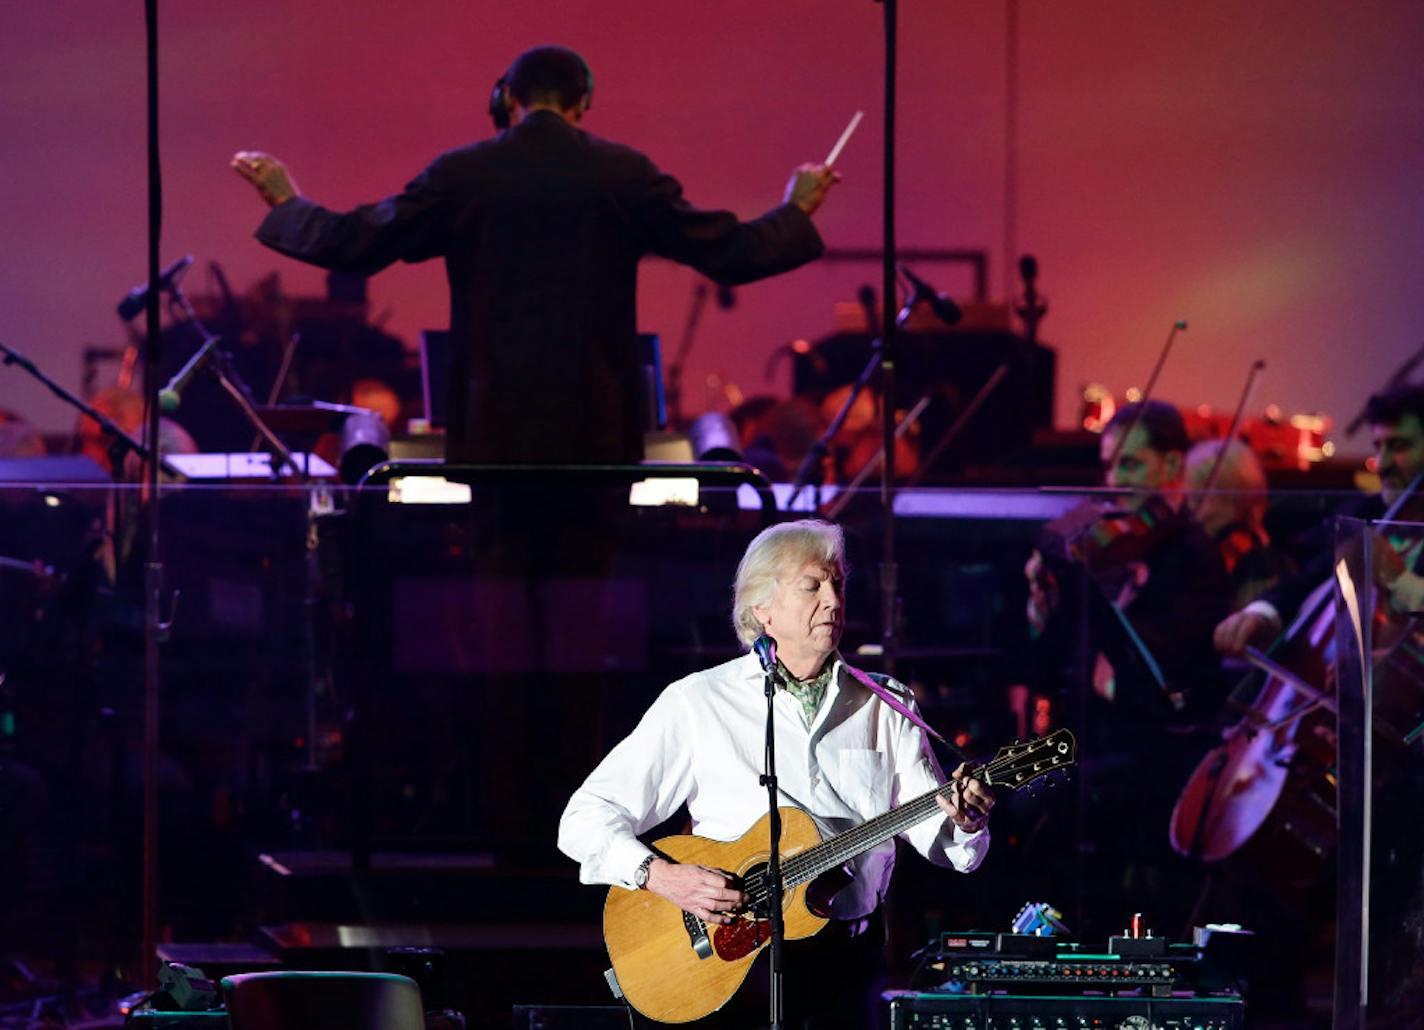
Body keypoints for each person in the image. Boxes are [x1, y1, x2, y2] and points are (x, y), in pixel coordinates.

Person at [232, 45, 839, 465]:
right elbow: (729, 252)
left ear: (508, 100)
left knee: (494, 588)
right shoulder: (623, 175)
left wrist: (287, 201)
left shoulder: (463, 173)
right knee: (595, 601)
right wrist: (796, 209)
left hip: (492, 424)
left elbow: (358, 244)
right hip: (595, 428)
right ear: (582, 105)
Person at [558, 519, 994, 1028]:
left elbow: (941, 842)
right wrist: (663, 876)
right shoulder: (698, 702)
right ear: (761, 609)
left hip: (847, 963)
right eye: (813, 586)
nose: (833, 600)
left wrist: (966, 823)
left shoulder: (886, 701)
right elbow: (585, 819)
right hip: (731, 964)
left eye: (839, 584)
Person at [1182, 437, 1294, 611]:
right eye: (1188, 498)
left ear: (1234, 500)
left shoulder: (1262, 569)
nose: (1189, 509)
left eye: (1198, 498)